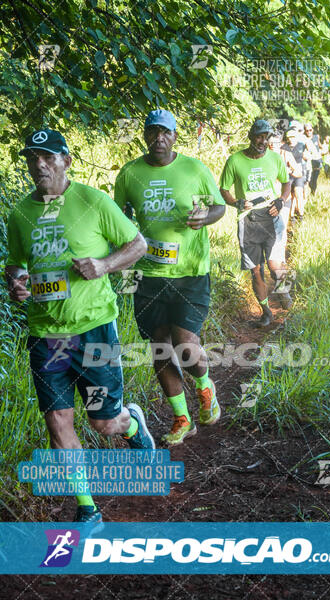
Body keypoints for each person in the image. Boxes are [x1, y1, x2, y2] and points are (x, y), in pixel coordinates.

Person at [6, 128, 154, 524]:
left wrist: (104, 265)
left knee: (102, 422)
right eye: (32, 157)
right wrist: (15, 282)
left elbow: (138, 244)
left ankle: (130, 423)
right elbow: (17, 262)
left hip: (93, 328)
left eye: (47, 156)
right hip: (44, 333)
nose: (39, 164)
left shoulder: (93, 201)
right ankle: (87, 508)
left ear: (66, 161)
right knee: (57, 421)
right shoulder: (20, 213)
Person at [114, 109, 225, 446]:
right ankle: (182, 419)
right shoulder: (130, 174)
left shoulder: (193, 168)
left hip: (190, 272)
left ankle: (206, 387)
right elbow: (119, 217)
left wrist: (205, 216)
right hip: (147, 276)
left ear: (175, 136)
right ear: (145, 135)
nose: (158, 138)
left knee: (185, 344)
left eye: (165, 132)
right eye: (152, 132)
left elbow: (219, 206)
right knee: (160, 349)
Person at [219, 119, 292, 321]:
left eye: (266, 137)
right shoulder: (234, 161)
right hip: (247, 219)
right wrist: (237, 203)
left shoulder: (275, 159)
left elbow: (287, 184)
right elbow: (223, 190)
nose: (263, 141)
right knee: (256, 270)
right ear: (251, 137)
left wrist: (280, 201)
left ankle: (284, 290)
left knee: (274, 265)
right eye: (259, 136)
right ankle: (266, 311)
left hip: (271, 215)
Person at [281, 128, 309, 220]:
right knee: (290, 195)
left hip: (299, 173)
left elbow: (308, 156)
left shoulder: (302, 145)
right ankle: (291, 216)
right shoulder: (284, 147)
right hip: (288, 174)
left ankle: (301, 215)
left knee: (298, 193)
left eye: (293, 137)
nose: (292, 139)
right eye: (290, 137)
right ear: (287, 138)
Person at [304, 122, 322, 195]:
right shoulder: (303, 138)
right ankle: (310, 192)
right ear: (305, 131)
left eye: (310, 130)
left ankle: (313, 193)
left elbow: (320, 145)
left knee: (314, 178)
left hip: (317, 160)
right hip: (308, 161)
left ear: (312, 130)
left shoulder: (316, 137)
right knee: (309, 179)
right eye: (307, 130)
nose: (309, 132)